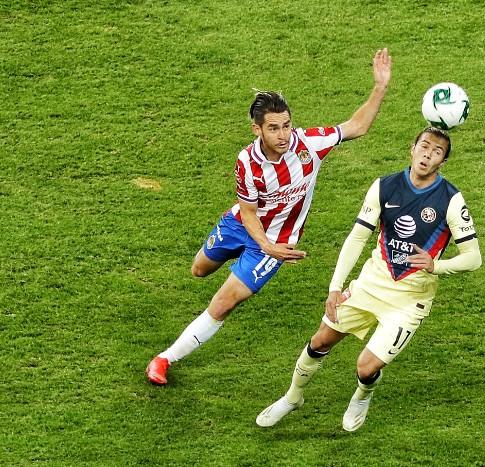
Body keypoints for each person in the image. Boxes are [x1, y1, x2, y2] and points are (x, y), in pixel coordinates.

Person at [145, 48, 392, 385]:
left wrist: (380, 86)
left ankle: (163, 360)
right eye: (274, 128)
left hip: (276, 242)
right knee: (199, 269)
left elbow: (357, 126)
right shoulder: (246, 162)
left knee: (224, 302)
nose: (284, 135)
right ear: (256, 129)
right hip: (242, 225)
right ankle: (236, 256)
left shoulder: (309, 146)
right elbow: (248, 212)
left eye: (287, 125)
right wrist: (265, 243)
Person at [256, 127, 482, 431]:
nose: (428, 154)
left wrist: (435, 266)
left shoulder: (451, 200)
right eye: (424, 146)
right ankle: (292, 396)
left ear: (442, 161)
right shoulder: (384, 187)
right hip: (370, 285)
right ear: (411, 149)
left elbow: (473, 258)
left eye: (437, 151)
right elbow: (357, 237)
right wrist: (335, 288)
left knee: (366, 367)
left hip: (409, 301)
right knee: (320, 340)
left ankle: (363, 394)